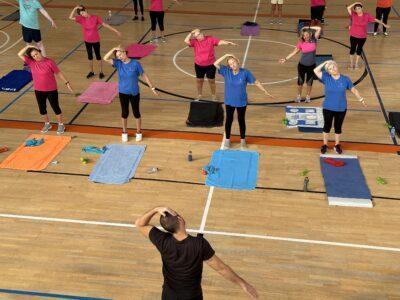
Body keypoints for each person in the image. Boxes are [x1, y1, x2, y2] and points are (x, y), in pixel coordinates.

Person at [135, 206, 259, 299]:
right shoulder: (199, 245)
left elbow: (139, 224)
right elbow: (221, 269)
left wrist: (156, 209)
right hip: (192, 297)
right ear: (180, 220)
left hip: (169, 296)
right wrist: (243, 284)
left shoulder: (161, 240)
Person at [214, 54, 274, 150]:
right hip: (229, 101)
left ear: (238, 61)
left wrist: (265, 91)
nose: (232, 65)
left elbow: (256, 82)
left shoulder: (245, 73)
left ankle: (243, 140)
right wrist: (226, 55)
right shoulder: (226, 71)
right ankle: (227, 140)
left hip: (241, 101)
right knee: (229, 120)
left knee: (241, 121)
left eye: (233, 62)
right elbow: (215, 63)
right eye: (230, 64)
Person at [104, 46, 158, 142]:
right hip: (123, 92)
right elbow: (105, 58)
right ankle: (124, 132)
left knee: (136, 113)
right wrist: (113, 49)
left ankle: (138, 132)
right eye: (117, 56)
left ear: (124, 52)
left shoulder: (135, 64)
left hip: (134, 93)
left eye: (120, 54)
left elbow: (144, 75)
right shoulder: (118, 64)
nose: (119, 57)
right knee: (124, 113)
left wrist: (152, 87)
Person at [17, 45, 73, 134]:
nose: (36, 56)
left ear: (40, 52)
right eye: (33, 56)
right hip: (38, 90)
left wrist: (67, 83)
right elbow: (19, 54)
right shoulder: (31, 62)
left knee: (55, 107)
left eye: (37, 54)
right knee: (42, 108)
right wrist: (28, 46)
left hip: (51, 90)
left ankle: (61, 124)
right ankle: (47, 124)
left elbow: (59, 73)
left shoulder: (50, 62)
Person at [314, 60, 366, 154]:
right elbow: (316, 70)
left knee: (338, 127)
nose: (333, 69)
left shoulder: (345, 79)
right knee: (327, 126)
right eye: (330, 69)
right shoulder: (326, 77)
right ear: (328, 72)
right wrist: (326, 62)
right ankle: (325, 145)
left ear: (337, 66)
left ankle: (337, 145)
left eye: (333, 67)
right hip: (328, 108)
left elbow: (354, 90)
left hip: (341, 108)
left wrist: (361, 99)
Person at [69, 5, 121, 79]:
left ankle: (101, 72)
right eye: (81, 14)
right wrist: (74, 8)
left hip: (95, 41)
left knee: (98, 56)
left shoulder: (95, 18)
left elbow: (105, 25)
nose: (83, 15)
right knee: (90, 57)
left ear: (86, 10)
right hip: (87, 41)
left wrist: (116, 31)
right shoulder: (81, 19)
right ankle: (91, 71)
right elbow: (70, 17)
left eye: (83, 13)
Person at [184, 29, 237, 101]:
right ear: (195, 37)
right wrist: (191, 32)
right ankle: (199, 95)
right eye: (197, 35)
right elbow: (186, 41)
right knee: (199, 80)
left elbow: (220, 42)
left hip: (210, 65)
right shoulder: (194, 42)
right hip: (199, 65)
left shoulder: (210, 39)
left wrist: (228, 43)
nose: (200, 35)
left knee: (211, 81)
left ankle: (213, 95)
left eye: (200, 33)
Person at [279, 26, 322, 103]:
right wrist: (285, 59)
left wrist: (307, 27)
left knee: (309, 82)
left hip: (311, 66)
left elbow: (319, 28)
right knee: (300, 82)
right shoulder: (301, 43)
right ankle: (298, 96)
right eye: (304, 35)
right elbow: (294, 52)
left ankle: (308, 97)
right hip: (302, 65)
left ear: (310, 34)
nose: (305, 36)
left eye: (306, 35)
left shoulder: (314, 40)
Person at [347, 2, 390, 69]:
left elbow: (376, 20)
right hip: (353, 36)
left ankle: (356, 64)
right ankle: (351, 63)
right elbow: (348, 8)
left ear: (362, 8)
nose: (358, 10)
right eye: (356, 9)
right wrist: (356, 2)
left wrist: (384, 24)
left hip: (362, 37)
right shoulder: (353, 14)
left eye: (359, 8)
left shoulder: (367, 15)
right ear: (355, 10)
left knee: (359, 50)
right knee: (352, 49)